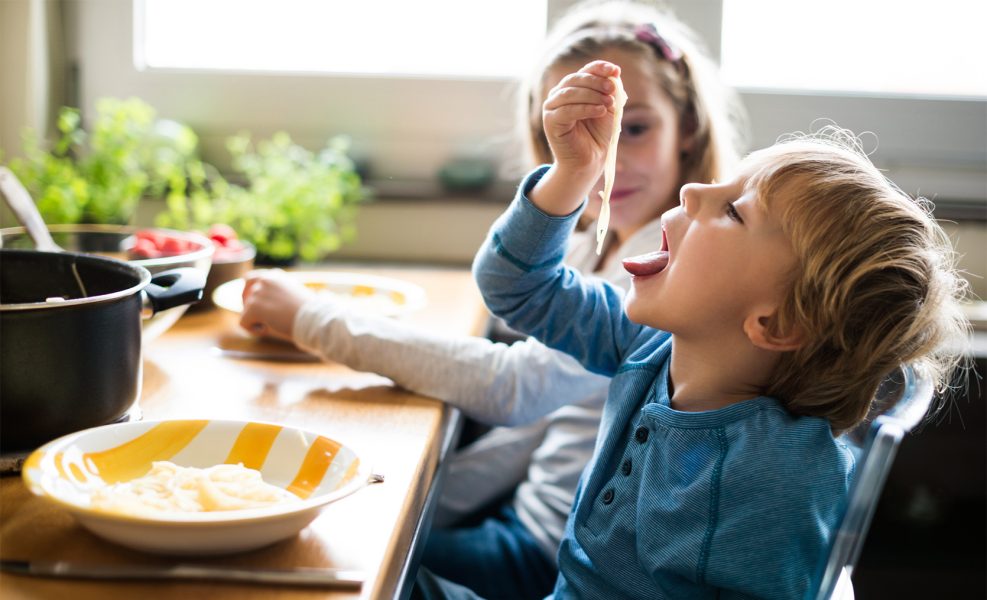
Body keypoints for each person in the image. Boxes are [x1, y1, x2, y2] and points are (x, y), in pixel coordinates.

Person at [239, 2, 744, 598]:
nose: (612, 154)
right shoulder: (592, 247)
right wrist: (421, 498)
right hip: (526, 520)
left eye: (634, 128)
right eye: (584, 133)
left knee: (311, 558)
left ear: (686, 127)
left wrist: (312, 318)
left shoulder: (670, 276)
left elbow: (514, 388)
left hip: (551, 553)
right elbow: (533, 429)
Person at [467, 57, 970, 598]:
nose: (690, 192)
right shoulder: (652, 347)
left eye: (733, 210)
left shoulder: (779, 482)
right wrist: (572, 176)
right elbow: (518, 288)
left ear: (774, 323)